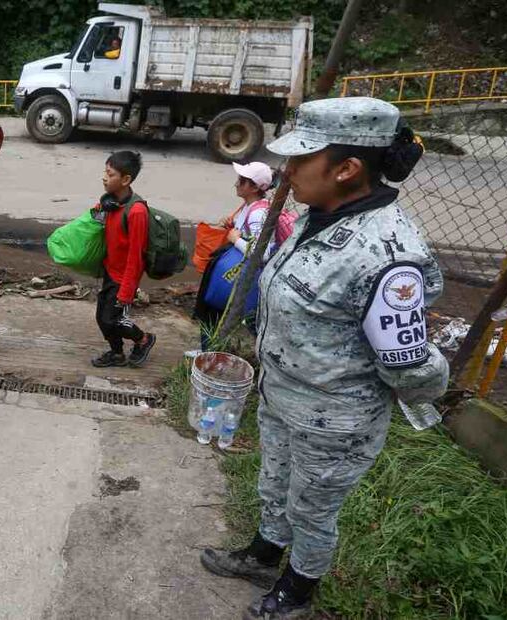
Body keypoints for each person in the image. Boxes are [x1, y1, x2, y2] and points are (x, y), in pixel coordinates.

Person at [200, 97, 448, 619]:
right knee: (274, 482)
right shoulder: (318, 216)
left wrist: (433, 393)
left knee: (312, 507)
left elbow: (408, 364)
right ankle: (266, 553)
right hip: (284, 395)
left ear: (347, 169)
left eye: (300, 160)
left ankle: (298, 588)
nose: (287, 172)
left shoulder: (385, 253)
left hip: (335, 419)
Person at [90, 151, 156, 368]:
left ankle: (143, 339)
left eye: (110, 174)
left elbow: (136, 256)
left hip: (124, 277)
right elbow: (95, 220)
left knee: (114, 319)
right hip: (111, 270)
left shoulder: (136, 212)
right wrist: (101, 205)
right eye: (104, 172)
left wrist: (127, 292)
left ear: (125, 180)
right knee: (102, 317)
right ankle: (116, 353)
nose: (104, 178)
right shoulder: (112, 203)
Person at [192, 161, 275, 327]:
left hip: (237, 278)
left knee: (216, 318)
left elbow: (263, 254)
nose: (236, 184)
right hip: (233, 273)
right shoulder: (249, 205)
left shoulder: (258, 214)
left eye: (242, 181)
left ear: (255, 188)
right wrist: (233, 226)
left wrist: (235, 240)